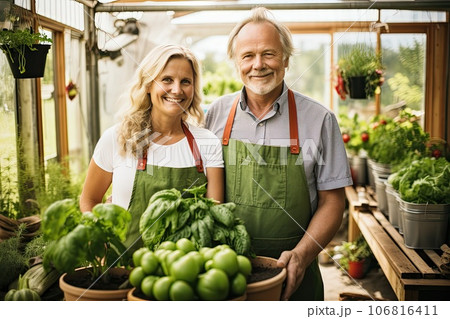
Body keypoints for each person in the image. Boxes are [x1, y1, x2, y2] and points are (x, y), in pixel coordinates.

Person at [205, 7, 352, 300]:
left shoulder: (320, 120)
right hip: (224, 274)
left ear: (286, 59)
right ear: (236, 63)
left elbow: (333, 201)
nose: (258, 64)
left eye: (268, 53)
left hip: (294, 275)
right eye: (247, 55)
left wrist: (302, 255)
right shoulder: (214, 116)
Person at [80, 44, 224, 250]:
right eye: (166, 79)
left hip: (188, 271)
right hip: (125, 270)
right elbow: (89, 199)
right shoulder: (117, 138)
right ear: (148, 85)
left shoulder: (207, 143)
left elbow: (214, 215)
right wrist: (100, 241)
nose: (177, 89)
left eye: (185, 81)